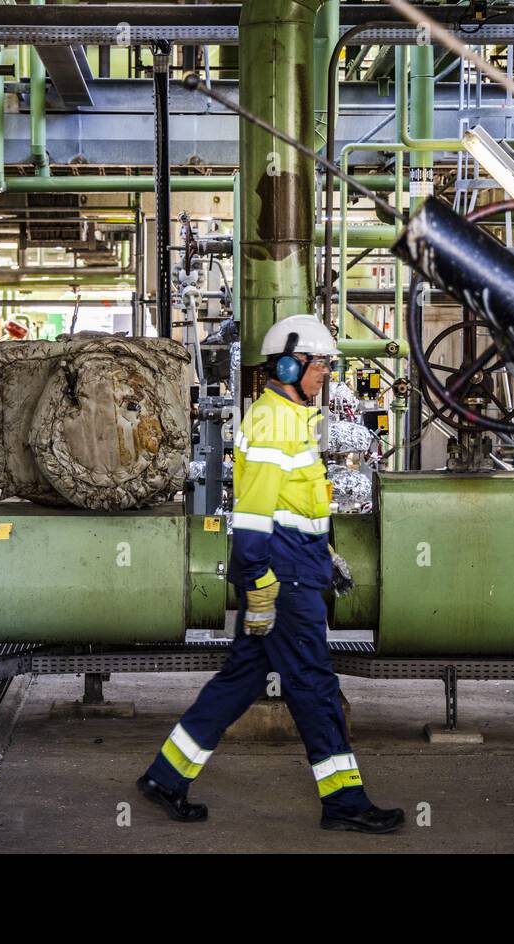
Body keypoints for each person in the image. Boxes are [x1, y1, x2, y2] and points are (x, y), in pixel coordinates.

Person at [138, 315, 404, 834]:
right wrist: (259, 584)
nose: (326, 373)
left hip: (298, 569)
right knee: (313, 684)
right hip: (284, 583)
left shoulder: (292, 418)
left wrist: (326, 555)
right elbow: (254, 517)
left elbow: (293, 505)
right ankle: (345, 802)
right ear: (288, 364)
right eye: (321, 363)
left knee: (240, 679)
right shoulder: (271, 424)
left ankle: (166, 775)